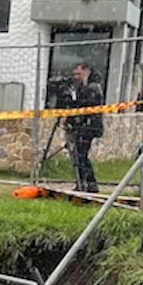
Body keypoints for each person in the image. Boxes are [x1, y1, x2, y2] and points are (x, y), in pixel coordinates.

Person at [63, 62, 104, 193]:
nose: (76, 77)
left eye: (79, 74)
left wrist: (73, 101)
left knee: (81, 155)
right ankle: (86, 183)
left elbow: (85, 106)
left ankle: (87, 183)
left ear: (86, 72)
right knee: (80, 155)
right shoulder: (84, 86)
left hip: (88, 126)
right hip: (84, 125)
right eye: (74, 74)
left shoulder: (92, 87)